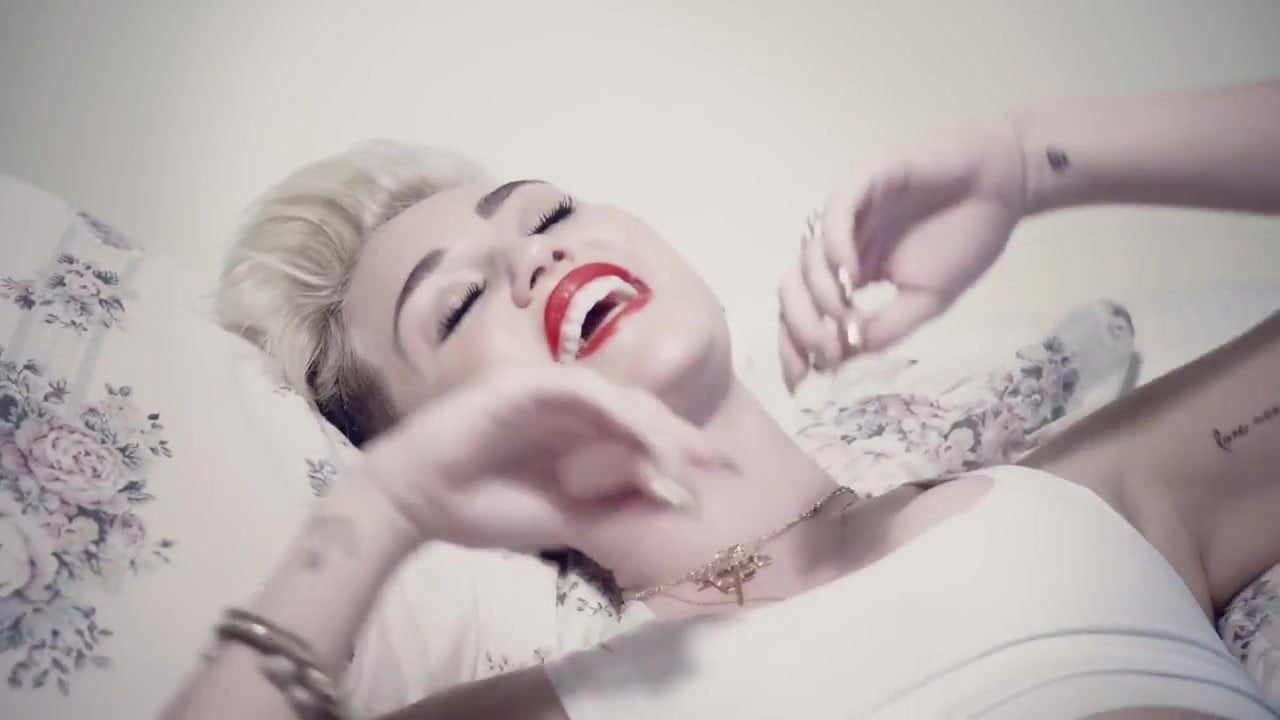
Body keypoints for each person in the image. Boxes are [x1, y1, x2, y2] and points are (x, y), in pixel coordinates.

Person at [164, 79, 1280, 719]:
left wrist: (1032, 160)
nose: (532, 258)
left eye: (548, 215)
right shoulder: (554, 710)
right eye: (455, 307)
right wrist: (377, 514)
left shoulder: (1083, 502)